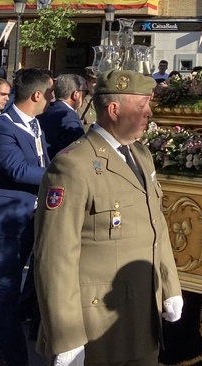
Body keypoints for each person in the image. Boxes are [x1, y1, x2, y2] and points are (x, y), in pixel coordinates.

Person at [34, 69, 183, 366]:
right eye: (141, 105)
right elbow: (55, 256)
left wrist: (170, 286)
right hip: (95, 322)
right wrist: (65, 334)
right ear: (114, 109)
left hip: (143, 316)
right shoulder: (73, 166)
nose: (149, 113)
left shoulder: (140, 155)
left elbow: (157, 225)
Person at [0, 68, 52, 366]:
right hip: (5, 225)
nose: (52, 99)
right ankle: (5, 355)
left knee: (16, 290)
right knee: (4, 293)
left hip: (30, 218)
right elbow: (19, 170)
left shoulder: (35, 125)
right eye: (49, 93)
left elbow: (41, 160)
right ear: (37, 95)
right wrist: (65, 173)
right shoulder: (1, 128)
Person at [38, 73, 87, 157]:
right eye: (85, 93)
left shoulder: (46, 110)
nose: (85, 96)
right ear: (76, 95)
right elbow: (76, 152)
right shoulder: (69, 116)